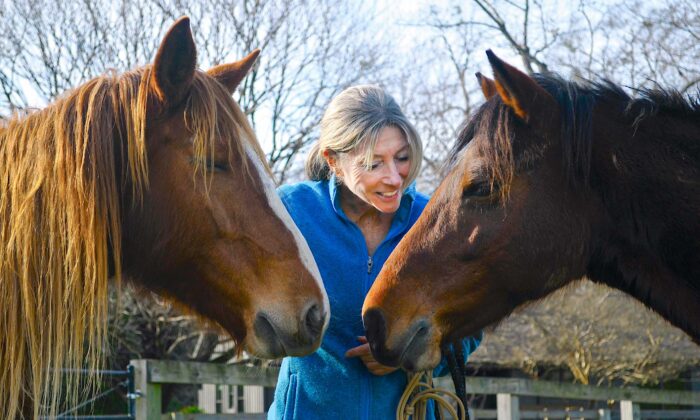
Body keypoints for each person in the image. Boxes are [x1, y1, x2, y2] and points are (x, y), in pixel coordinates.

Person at [267, 85, 481, 420]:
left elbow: (469, 326)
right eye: (374, 163)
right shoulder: (292, 212)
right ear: (333, 161)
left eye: (402, 158)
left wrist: (409, 355)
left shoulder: (432, 221)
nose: (395, 178)